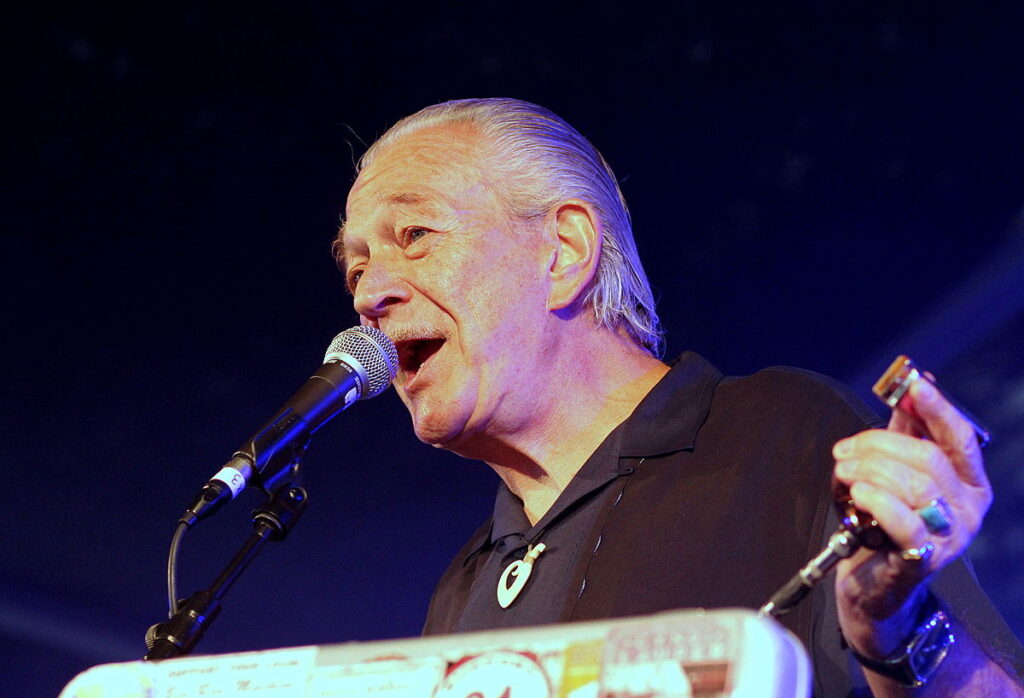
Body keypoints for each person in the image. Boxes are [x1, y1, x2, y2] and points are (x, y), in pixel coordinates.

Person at [335, 98, 1024, 696]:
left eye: (415, 235)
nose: (369, 295)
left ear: (565, 249)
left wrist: (896, 629)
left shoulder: (792, 437)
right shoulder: (460, 594)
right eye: (357, 268)